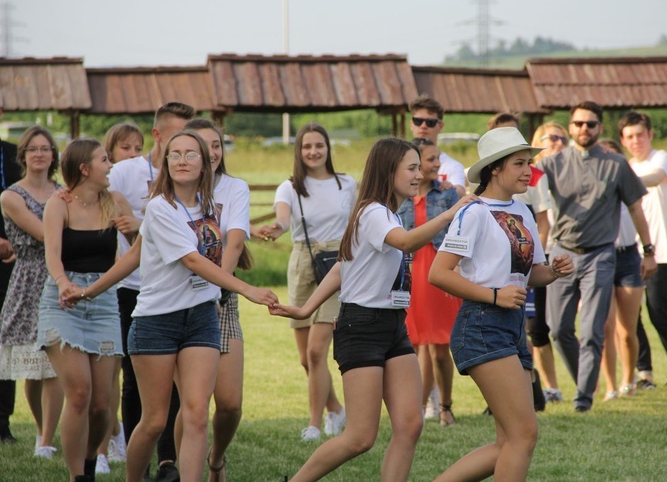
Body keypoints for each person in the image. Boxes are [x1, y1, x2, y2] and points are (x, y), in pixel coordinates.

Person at [63, 129, 278, 481]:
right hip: (156, 321)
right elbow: (193, 261)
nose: (181, 160)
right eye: (174, 154)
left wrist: (91, 290)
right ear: (166, 162)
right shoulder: (160, 208)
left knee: (195, 414)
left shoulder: (210, 207)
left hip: (202, 318)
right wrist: (247, 290)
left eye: (190, 154)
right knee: (154, 421)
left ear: (205, 162)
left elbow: (134, 255)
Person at [270, 138, 475, 481]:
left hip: (393, 325)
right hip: (361, 327)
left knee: (409, 425)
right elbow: (407, 242)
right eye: (410, 168)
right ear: (388, 171)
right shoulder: (373, 211)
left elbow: (341, 266)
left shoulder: (387, 213)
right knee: (360, 438)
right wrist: (451, 213)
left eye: (418, 167)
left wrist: (307, 309)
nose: (418, 173)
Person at [429, 127, 573, 480]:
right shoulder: (473, 212)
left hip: (512, 327)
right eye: (520, 163)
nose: (529, 171)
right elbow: (439, 273)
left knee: (510, 440)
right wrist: (495, 295)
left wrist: (552, 272)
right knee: (524, 435)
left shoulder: (522, 210)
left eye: (530, 163)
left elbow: (528, 274)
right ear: (495, 168)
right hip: (481, 324)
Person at [536, 101, 657, 412]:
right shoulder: (553, 163)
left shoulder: (616, 164)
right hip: (562, 253)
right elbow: (521, 183)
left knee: (591, 330)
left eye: (590, 124)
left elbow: (635, 208)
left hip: (600, 255)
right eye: (577, 124)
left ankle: (583, 399)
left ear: (600, 128)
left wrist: (648, 251)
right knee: (558, 329)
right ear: (570, 127)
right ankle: (584, 382)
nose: (584, 129)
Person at [37, 138, 136, 482]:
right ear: (85, 169)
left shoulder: (116, 202)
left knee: (101, 405)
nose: (110, 165)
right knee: (79, 392)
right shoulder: (58, 204)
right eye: (104, 159)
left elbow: (143, 248)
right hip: (63, 301)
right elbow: (52, 253)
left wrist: (136, 228)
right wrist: (63, 281)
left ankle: (93, 459)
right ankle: (78, 476)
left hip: (105, 301)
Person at [107, 102, 194, 482]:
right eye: (178, 137)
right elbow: (91, 197)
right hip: (133, 288)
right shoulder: (126, 171)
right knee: (134, 380)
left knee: (179, 381)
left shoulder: (192, 174)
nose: (185, 148)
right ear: (158, 136)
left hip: (181, 290)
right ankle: (135, 461)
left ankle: (168, 461)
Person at [258, 123, 354, 442]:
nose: (313, 151)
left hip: (337, 264)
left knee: (316, 352)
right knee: (305, 358)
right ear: (299, 151)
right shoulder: (290, 188)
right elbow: (284, 219)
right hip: (302, 262)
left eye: (319, 145)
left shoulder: (347, 185)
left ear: (328, 148)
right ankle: (337, 409)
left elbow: (359, 224)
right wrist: (277, 227)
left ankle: (315, 423)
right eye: (306, 146)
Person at [179, 118, 252, 481]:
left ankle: (216, 458)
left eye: (217, 144)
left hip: (222, 297)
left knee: (230, 403)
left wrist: (220, 287)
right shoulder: (174, 191)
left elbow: (235, 241)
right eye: (203, 145)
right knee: (192, 404)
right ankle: (178, 469)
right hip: (179, 301)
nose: (212, 151)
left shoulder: (234, 188)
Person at [0, 126, 63, 457]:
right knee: (35, 366)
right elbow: (48, 234)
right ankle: (39, 431)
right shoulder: (12, 195)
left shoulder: (64, 192)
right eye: (32, 149)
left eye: (45, 148)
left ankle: (47, 439)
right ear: (23, 155)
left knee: (57, 364)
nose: (39, 154)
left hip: (61, 276)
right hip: (30, 279)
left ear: (53, 155)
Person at [619, 111, 667, 388]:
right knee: (631, 315)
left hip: (660, 252)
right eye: (630, 136)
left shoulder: (662, 159)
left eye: (640, 134)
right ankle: (644, 372)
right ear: (623, 140)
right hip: (630, 250)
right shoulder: (623, 166)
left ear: (650, 135)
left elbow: (657, 177)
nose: (636, 141)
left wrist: (622, 182)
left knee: (657, 310)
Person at [397, 138, 460, 426]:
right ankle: (418, 408)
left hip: (439, 273)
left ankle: (444, 406)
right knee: (415, 343)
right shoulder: (397, 197)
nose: (438, 165)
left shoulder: (447, 195)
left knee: (439, 346)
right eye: (432, 159)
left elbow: (463, 234)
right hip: (410, 273)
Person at [95, 121, 146, 473]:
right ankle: (104, 441)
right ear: (108, 153)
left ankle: (116, 436)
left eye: (136, 149)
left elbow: (135, 248)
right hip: (97, 289)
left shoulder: (121, 199)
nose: (130, 155)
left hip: (123, 287)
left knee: (120, 371)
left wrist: (133, 224)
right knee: (103, 376)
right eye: (124, 148)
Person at [597, 139, 646, 400]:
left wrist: (648, 253)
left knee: (627, 329)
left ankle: (630, 379)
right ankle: (610, 386)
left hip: (628, 257)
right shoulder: (593, 190)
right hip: (600, 256)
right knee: (605, 326)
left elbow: (640, 215)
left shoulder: (630, 188)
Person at [524, 122, 569, 403]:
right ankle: (542, 387)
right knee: (535, 328)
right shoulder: (529, 175)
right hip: (533, 257)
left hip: (554, 255)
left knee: (550, 326)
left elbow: (546, 221)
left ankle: (553, 387)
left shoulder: (563, 172)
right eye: (551, 138)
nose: (557, 142)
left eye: (562, 139)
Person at [0, 87, 22, 443]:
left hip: (11, 262)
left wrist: (17, 243)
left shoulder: (15, 155)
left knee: (5, 342)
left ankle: (2, 423)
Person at [409, 95, 466, 197]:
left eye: (430, 122)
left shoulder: (452, 166)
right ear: (411, 125)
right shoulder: (397, 162)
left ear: (440, 126)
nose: (423, 126)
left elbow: (460, 192)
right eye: (418, 121)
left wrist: (450, 189)